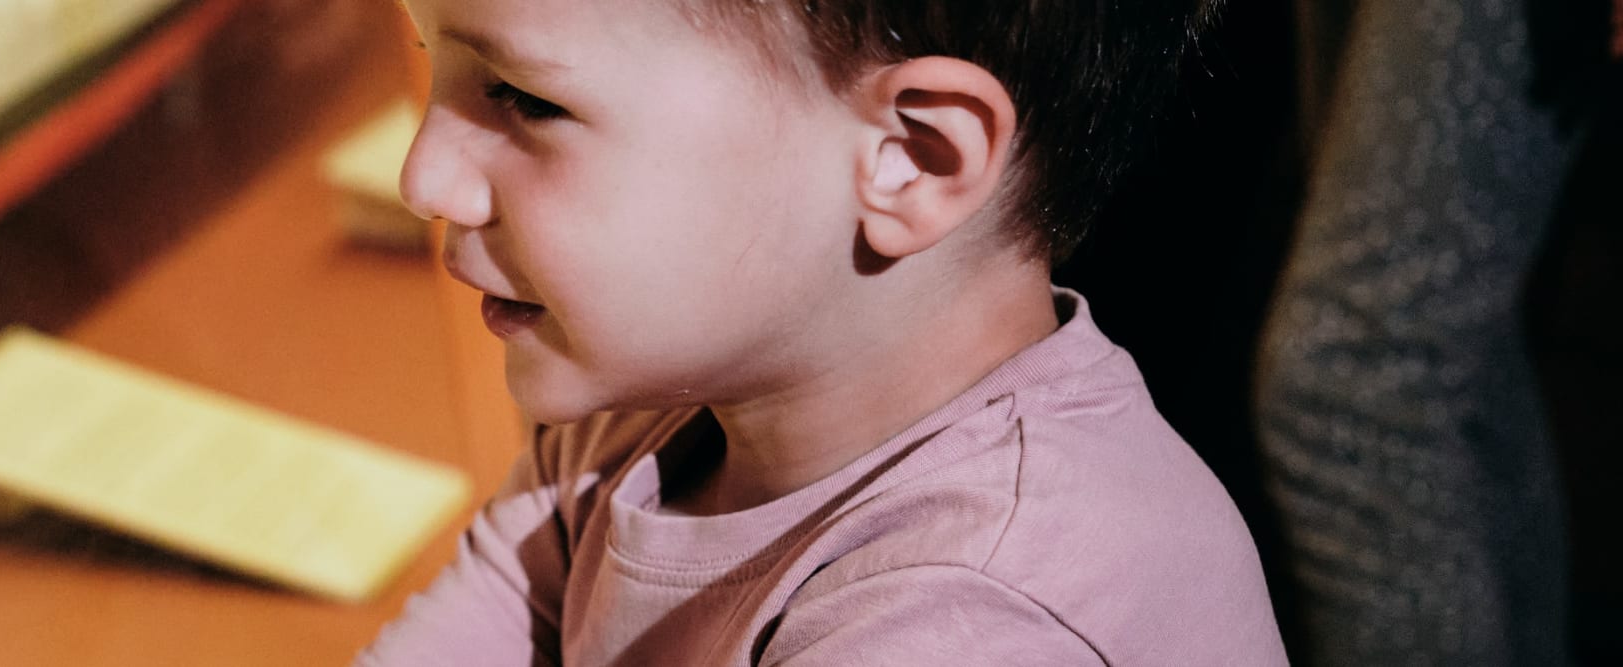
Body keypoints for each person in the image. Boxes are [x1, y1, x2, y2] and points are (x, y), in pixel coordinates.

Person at [358, 0, 1287, 664]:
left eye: (524, 97)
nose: (424, 177)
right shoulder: (629, 433)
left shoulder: (990, 612)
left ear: (912, 158)